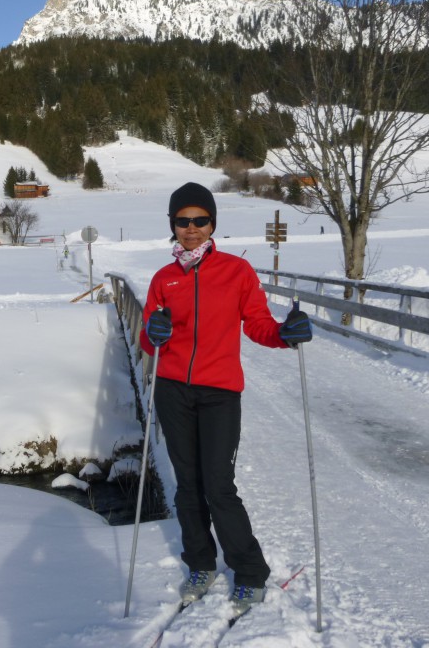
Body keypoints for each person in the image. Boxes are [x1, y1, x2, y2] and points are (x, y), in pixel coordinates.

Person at [139, 182, 312, 617]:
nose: (191, 229)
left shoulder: (237, 272)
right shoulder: (164, 278)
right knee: (187, 486)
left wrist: (283, 335)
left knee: (219, 486)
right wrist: (152, 335)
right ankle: (200, 563)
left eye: (200, 220)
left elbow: (257, 323)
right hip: (173, 390)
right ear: (173, 226)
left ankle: (250, 570)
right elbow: (148, 336)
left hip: (219, 393)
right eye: (183, 221)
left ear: (212, 224)